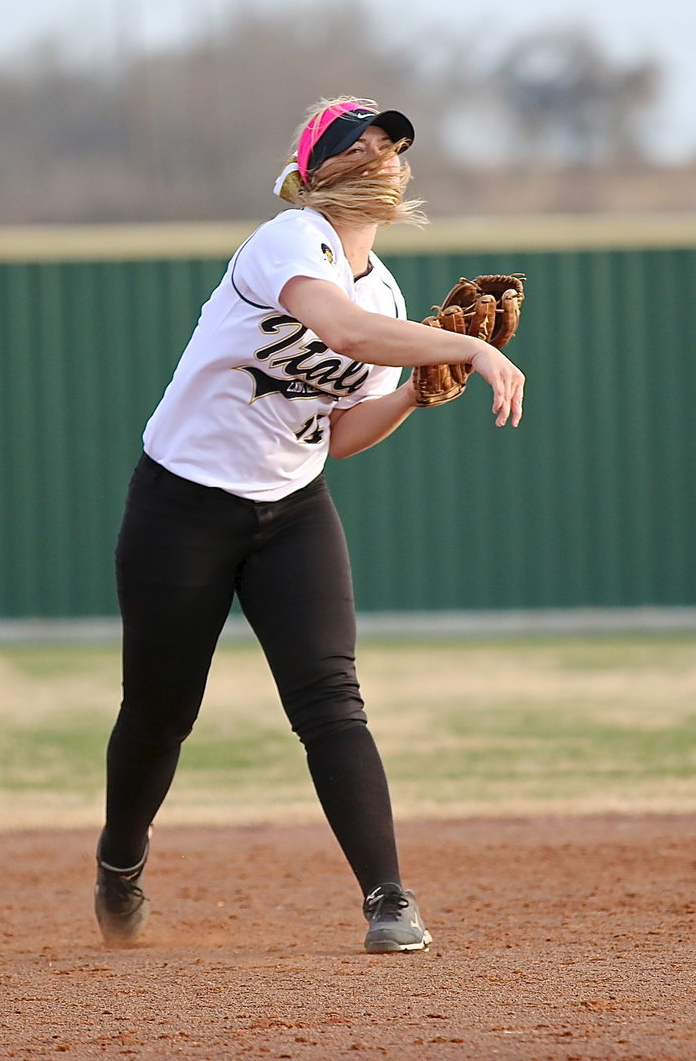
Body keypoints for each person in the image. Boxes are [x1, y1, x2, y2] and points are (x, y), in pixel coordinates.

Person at [94, 96, 526, 953]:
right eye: (358, 144)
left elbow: (340, 435)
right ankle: (120, 862)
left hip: (291, 510)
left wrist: (413, 393)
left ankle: (389, 898)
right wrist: (463, 348)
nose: (381, 155)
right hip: (183, 502)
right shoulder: (288, 239)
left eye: (392, 145)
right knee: (159, 710)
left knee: (332, 702)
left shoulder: (389, 291)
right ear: (318, 170)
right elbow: (338, 327)